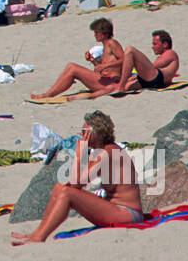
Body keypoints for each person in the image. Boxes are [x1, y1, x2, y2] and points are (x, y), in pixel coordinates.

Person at [10, 111, 143, 243]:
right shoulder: (102, 150)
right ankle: (38, 233)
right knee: (59, 188)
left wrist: (80, 153)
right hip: (114, 207)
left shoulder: (107, 153)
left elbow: (77, 184)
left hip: (127, 213)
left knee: (67, 193)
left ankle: (39, 237)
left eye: (84, 131)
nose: (81, 134)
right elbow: (75, 182)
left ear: (95, 133)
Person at [29, 18, 124, 99]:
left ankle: (48, 94)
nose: (94, 34)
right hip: (103, 79)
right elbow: (102, 69)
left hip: (109, 82)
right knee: (71, 66)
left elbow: (124, 59)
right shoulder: (105, 47)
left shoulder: (112, 43)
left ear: (104, 33)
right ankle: (49, 93)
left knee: (73, 68)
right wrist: (93, 61)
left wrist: (105, 66)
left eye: (96, 32)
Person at [94, 30, 179, 97]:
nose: (152, 47)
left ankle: (121, 87)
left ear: (165, 44)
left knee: (130, 50)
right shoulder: (166, 56)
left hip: (157, 79)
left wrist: (132, 74)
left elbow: (153, 67)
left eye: (155, 44)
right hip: (154, 82)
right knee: (116, 87)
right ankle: (117, 87)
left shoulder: (171, 53)